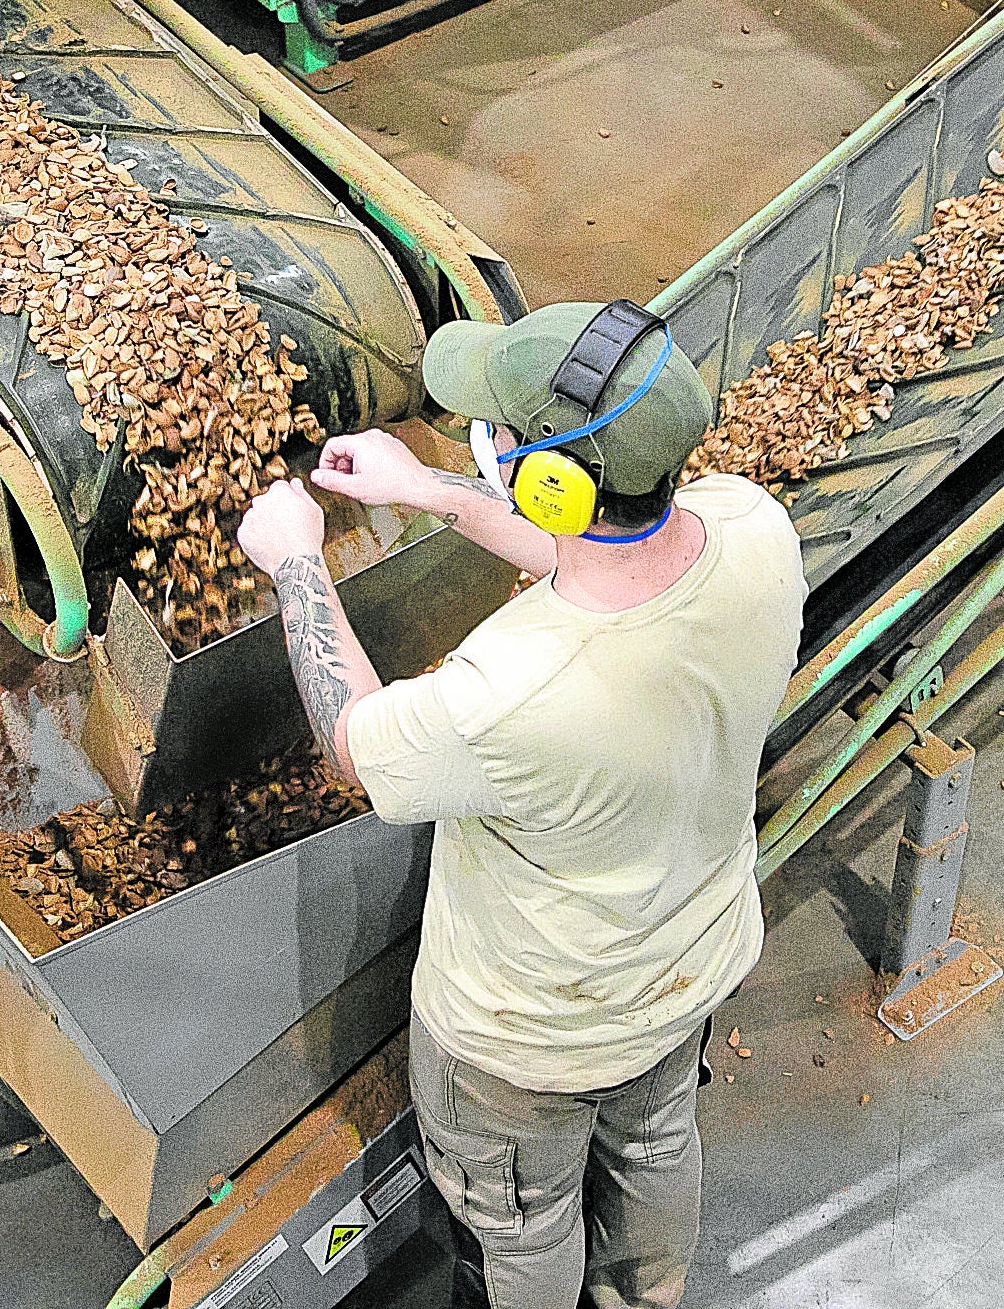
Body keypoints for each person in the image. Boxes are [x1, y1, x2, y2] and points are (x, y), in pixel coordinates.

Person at [233, 300, 805, 1309]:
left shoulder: (514, 686)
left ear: (547, 478)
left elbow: (354, 744)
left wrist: (296, 561)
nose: (479, 442)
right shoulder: (755, 529)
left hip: (526, 1043)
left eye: (487, 433)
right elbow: (596, 553)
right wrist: (434, 491)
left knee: (518, 1221)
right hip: (688, 969)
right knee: (658, 1143)